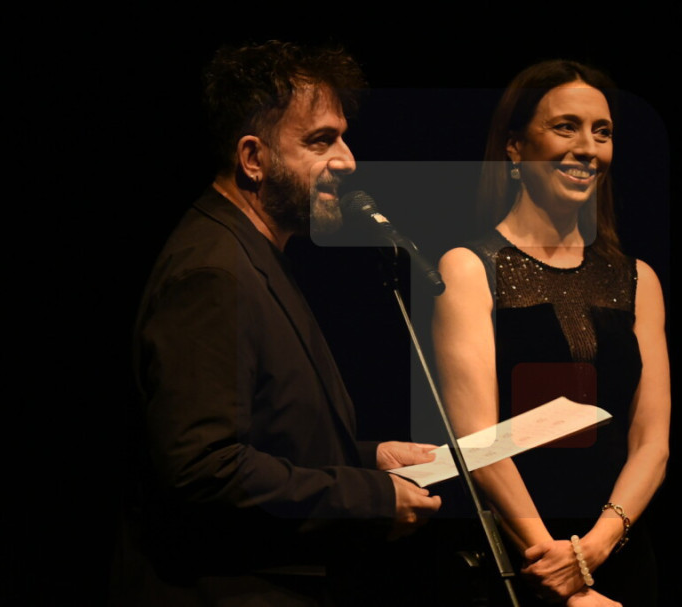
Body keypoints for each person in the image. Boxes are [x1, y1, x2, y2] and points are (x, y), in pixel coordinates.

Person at [109, 40, 442, 606]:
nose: (347, 160)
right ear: (253, 158)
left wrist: (368, 458)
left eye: (343, 137)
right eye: (320, 141)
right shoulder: (213, 272)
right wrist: (369, 498)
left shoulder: (251, 252)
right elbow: (205, 469)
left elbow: (272, 434)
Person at [431, 59, 670, 606]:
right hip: (524, 563)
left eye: (602, 132)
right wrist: (564, 576)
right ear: (515, 147)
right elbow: (479, 443)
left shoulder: (639, 280)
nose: (588, 148)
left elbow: (651, 443)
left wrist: (595, 549)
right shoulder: (469, 268)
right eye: (566, 127)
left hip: (619, 555)